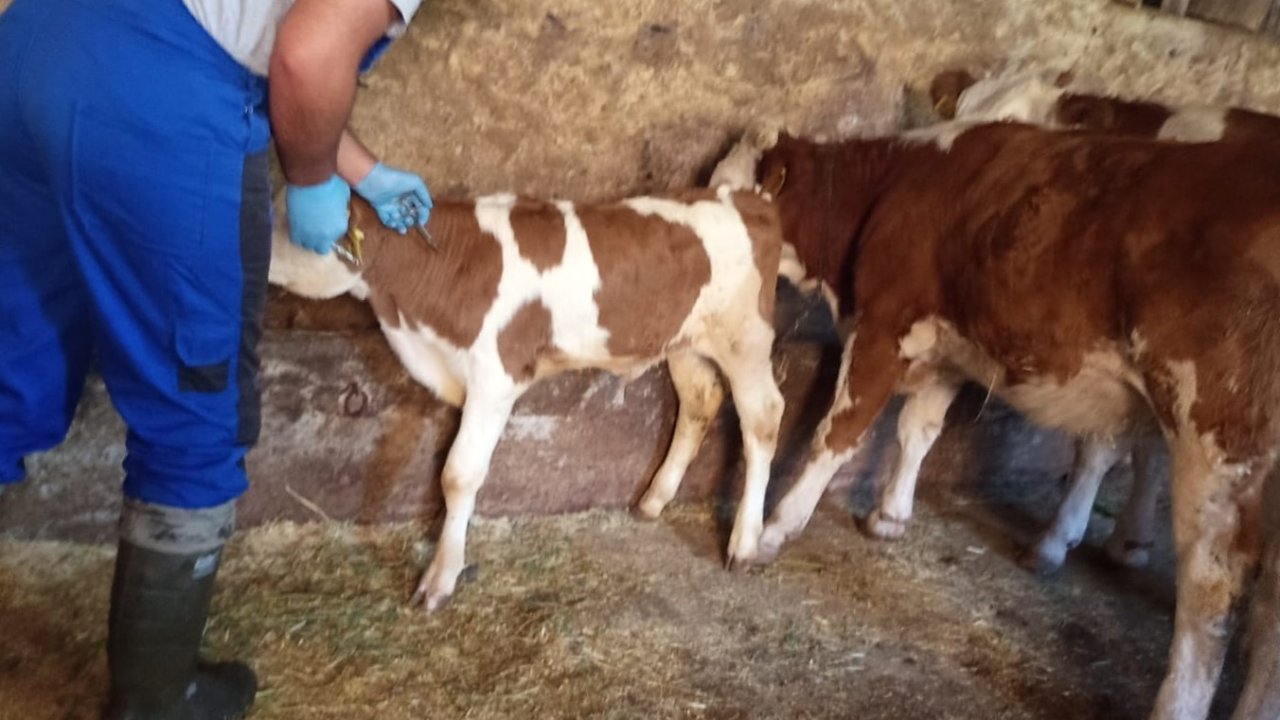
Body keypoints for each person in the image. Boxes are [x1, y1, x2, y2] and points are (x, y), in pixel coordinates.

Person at [0, 0, 432, 717]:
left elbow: (254, 31)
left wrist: (363, 169)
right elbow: (305, 53)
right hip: (151, 93)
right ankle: (157, 706)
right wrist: (314, 176)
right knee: (198, 410)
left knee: (11, 354)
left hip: (32, 43)